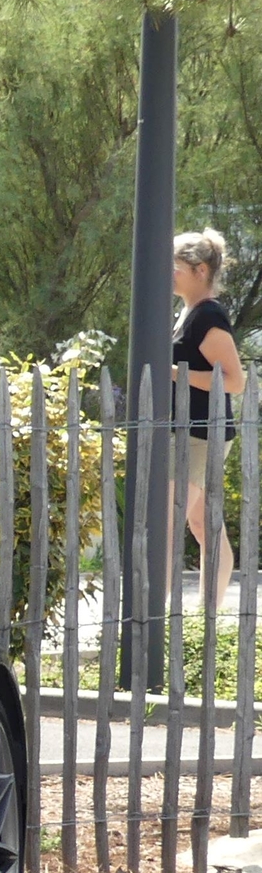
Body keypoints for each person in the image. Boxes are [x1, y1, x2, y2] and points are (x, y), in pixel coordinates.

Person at [174, 228, 248, 612]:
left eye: (175, 266)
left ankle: (160, 616)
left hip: (200, 436)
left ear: (199, 269)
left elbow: (234, 381)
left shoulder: (209, 316)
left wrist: (175, 374)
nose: (168, 272)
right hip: (188, 433)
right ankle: (208, 616)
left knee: (169, 524)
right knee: (203, 525)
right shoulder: (187, 312)